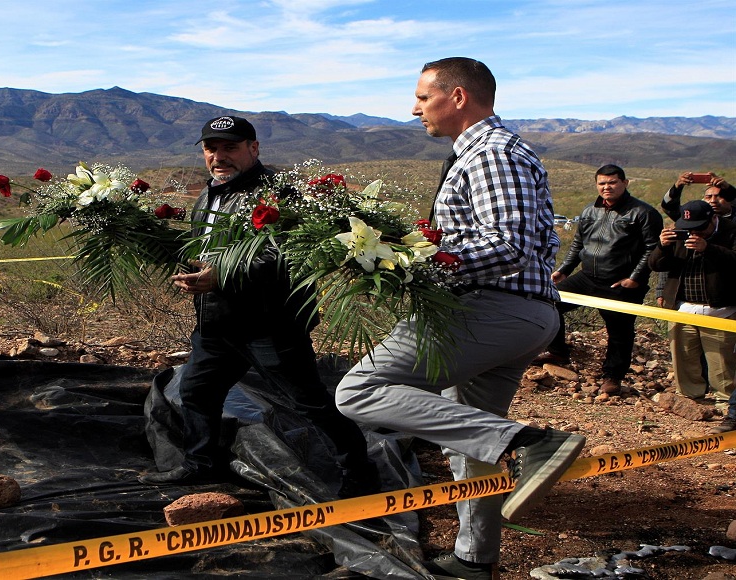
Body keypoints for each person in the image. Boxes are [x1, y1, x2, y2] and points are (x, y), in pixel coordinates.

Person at [333, 57, 584, 580]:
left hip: (488, 309)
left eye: (424, 97)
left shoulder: (492, 152)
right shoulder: (484, 153)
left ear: (459, 97)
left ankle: (533, 443)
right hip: (513, 315)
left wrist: (405, 259)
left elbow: (508, 244)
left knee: (357, 390)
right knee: (468, 440)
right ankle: (475, 559)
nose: (415, 108)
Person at [137, 116, 374, 493]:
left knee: (307, 403)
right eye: (211, 148)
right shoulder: (210, 193)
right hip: (216, 324)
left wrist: (223, 276)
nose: (219, 156)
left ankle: (360, 475)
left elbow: (287, 255)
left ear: (254, 148)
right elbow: (207, 251)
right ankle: (201, 464)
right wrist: (191, 271)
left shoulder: (276, 194)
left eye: (230, 147)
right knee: (197, 392)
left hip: (269, 325)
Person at [532, 165, 663, 395]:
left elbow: (652, 249)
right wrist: (564, 270)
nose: (607, 187)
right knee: (549, 302)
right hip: (587, 277)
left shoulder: (643, 213)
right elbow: (578, 244)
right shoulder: (589, 211)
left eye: (612, 182)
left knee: (619, 331)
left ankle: (613, 376)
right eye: (602, 183)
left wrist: (634, 279)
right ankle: (558, 351)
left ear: (625, 183)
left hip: (620, 282)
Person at [647, 200, 736, 404]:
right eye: (689, 229)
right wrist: (662, 246)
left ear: (713, 219)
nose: (694, 233)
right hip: (682, 308)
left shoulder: (732, 231)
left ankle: (727, 404)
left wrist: (709, 249)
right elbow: (656, 265)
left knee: (721, 362)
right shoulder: (681, 232)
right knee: (683, 357)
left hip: (721, 310)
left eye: (700, 228)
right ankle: (691, 398)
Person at [656, 173, 736, 308]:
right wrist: (677, 186)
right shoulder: (692, 221)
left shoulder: (733, 224)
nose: (713, 200)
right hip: (686, 299)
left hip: (725, 301)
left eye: (719, 196)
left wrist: (728, 189)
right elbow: (669, 207)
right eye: (708, 197)